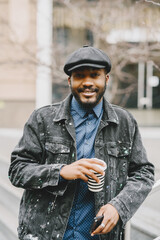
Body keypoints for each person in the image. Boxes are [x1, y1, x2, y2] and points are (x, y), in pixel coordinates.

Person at [9, 46, 154, 240]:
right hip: (45, 234)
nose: (87, 82)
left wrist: (118, 206)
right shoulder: (42, 119)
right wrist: (61, 172)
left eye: (94, 75)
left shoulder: (124, 122)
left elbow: (143, 173)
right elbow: (17, 170)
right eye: (79, 76)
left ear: (106, 79)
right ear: (70, 80)